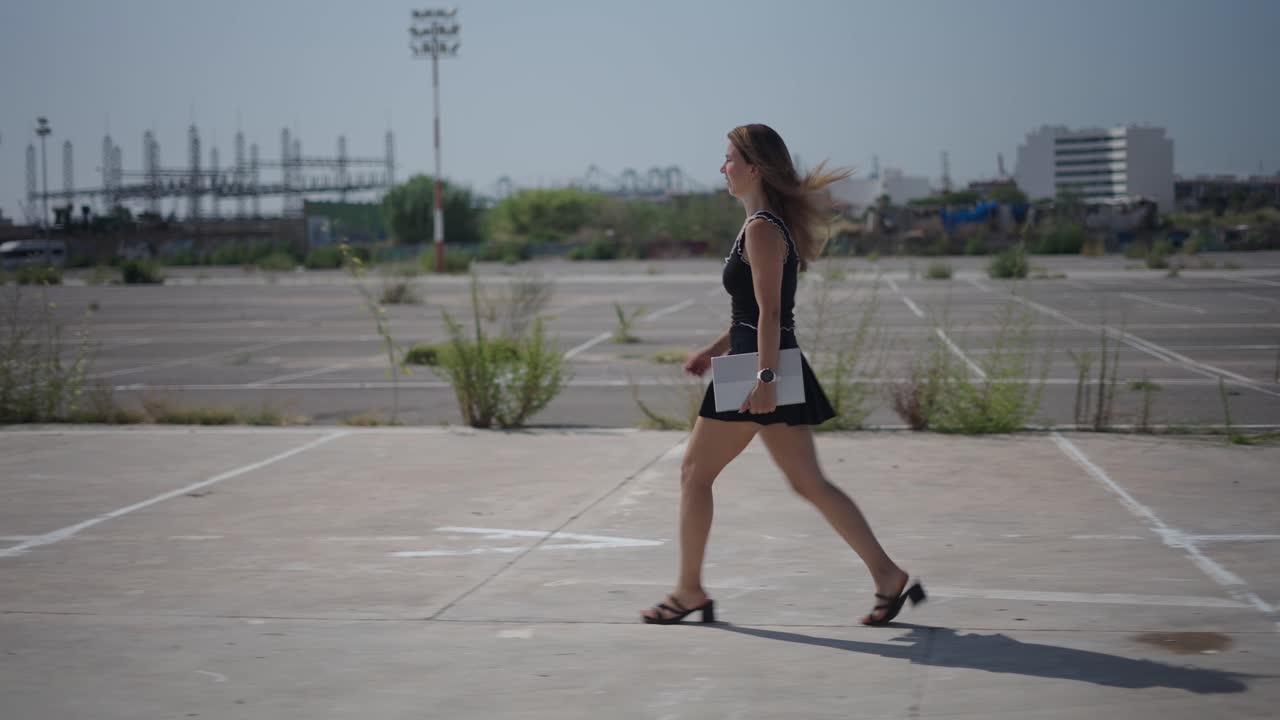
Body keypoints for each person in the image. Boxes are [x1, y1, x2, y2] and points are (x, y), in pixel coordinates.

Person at [641, 124, 925, 627]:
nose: (722, 168)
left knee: (694, 474)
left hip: (759, 372)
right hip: (762, 364)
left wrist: (765, 380)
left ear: (753, 168)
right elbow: (752, 315)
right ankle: (887, 576)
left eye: (728, 158)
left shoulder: (763, 228)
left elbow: (772, 313)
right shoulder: (759, 224)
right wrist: (713, 349)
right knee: (809, 483)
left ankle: (689, 591)